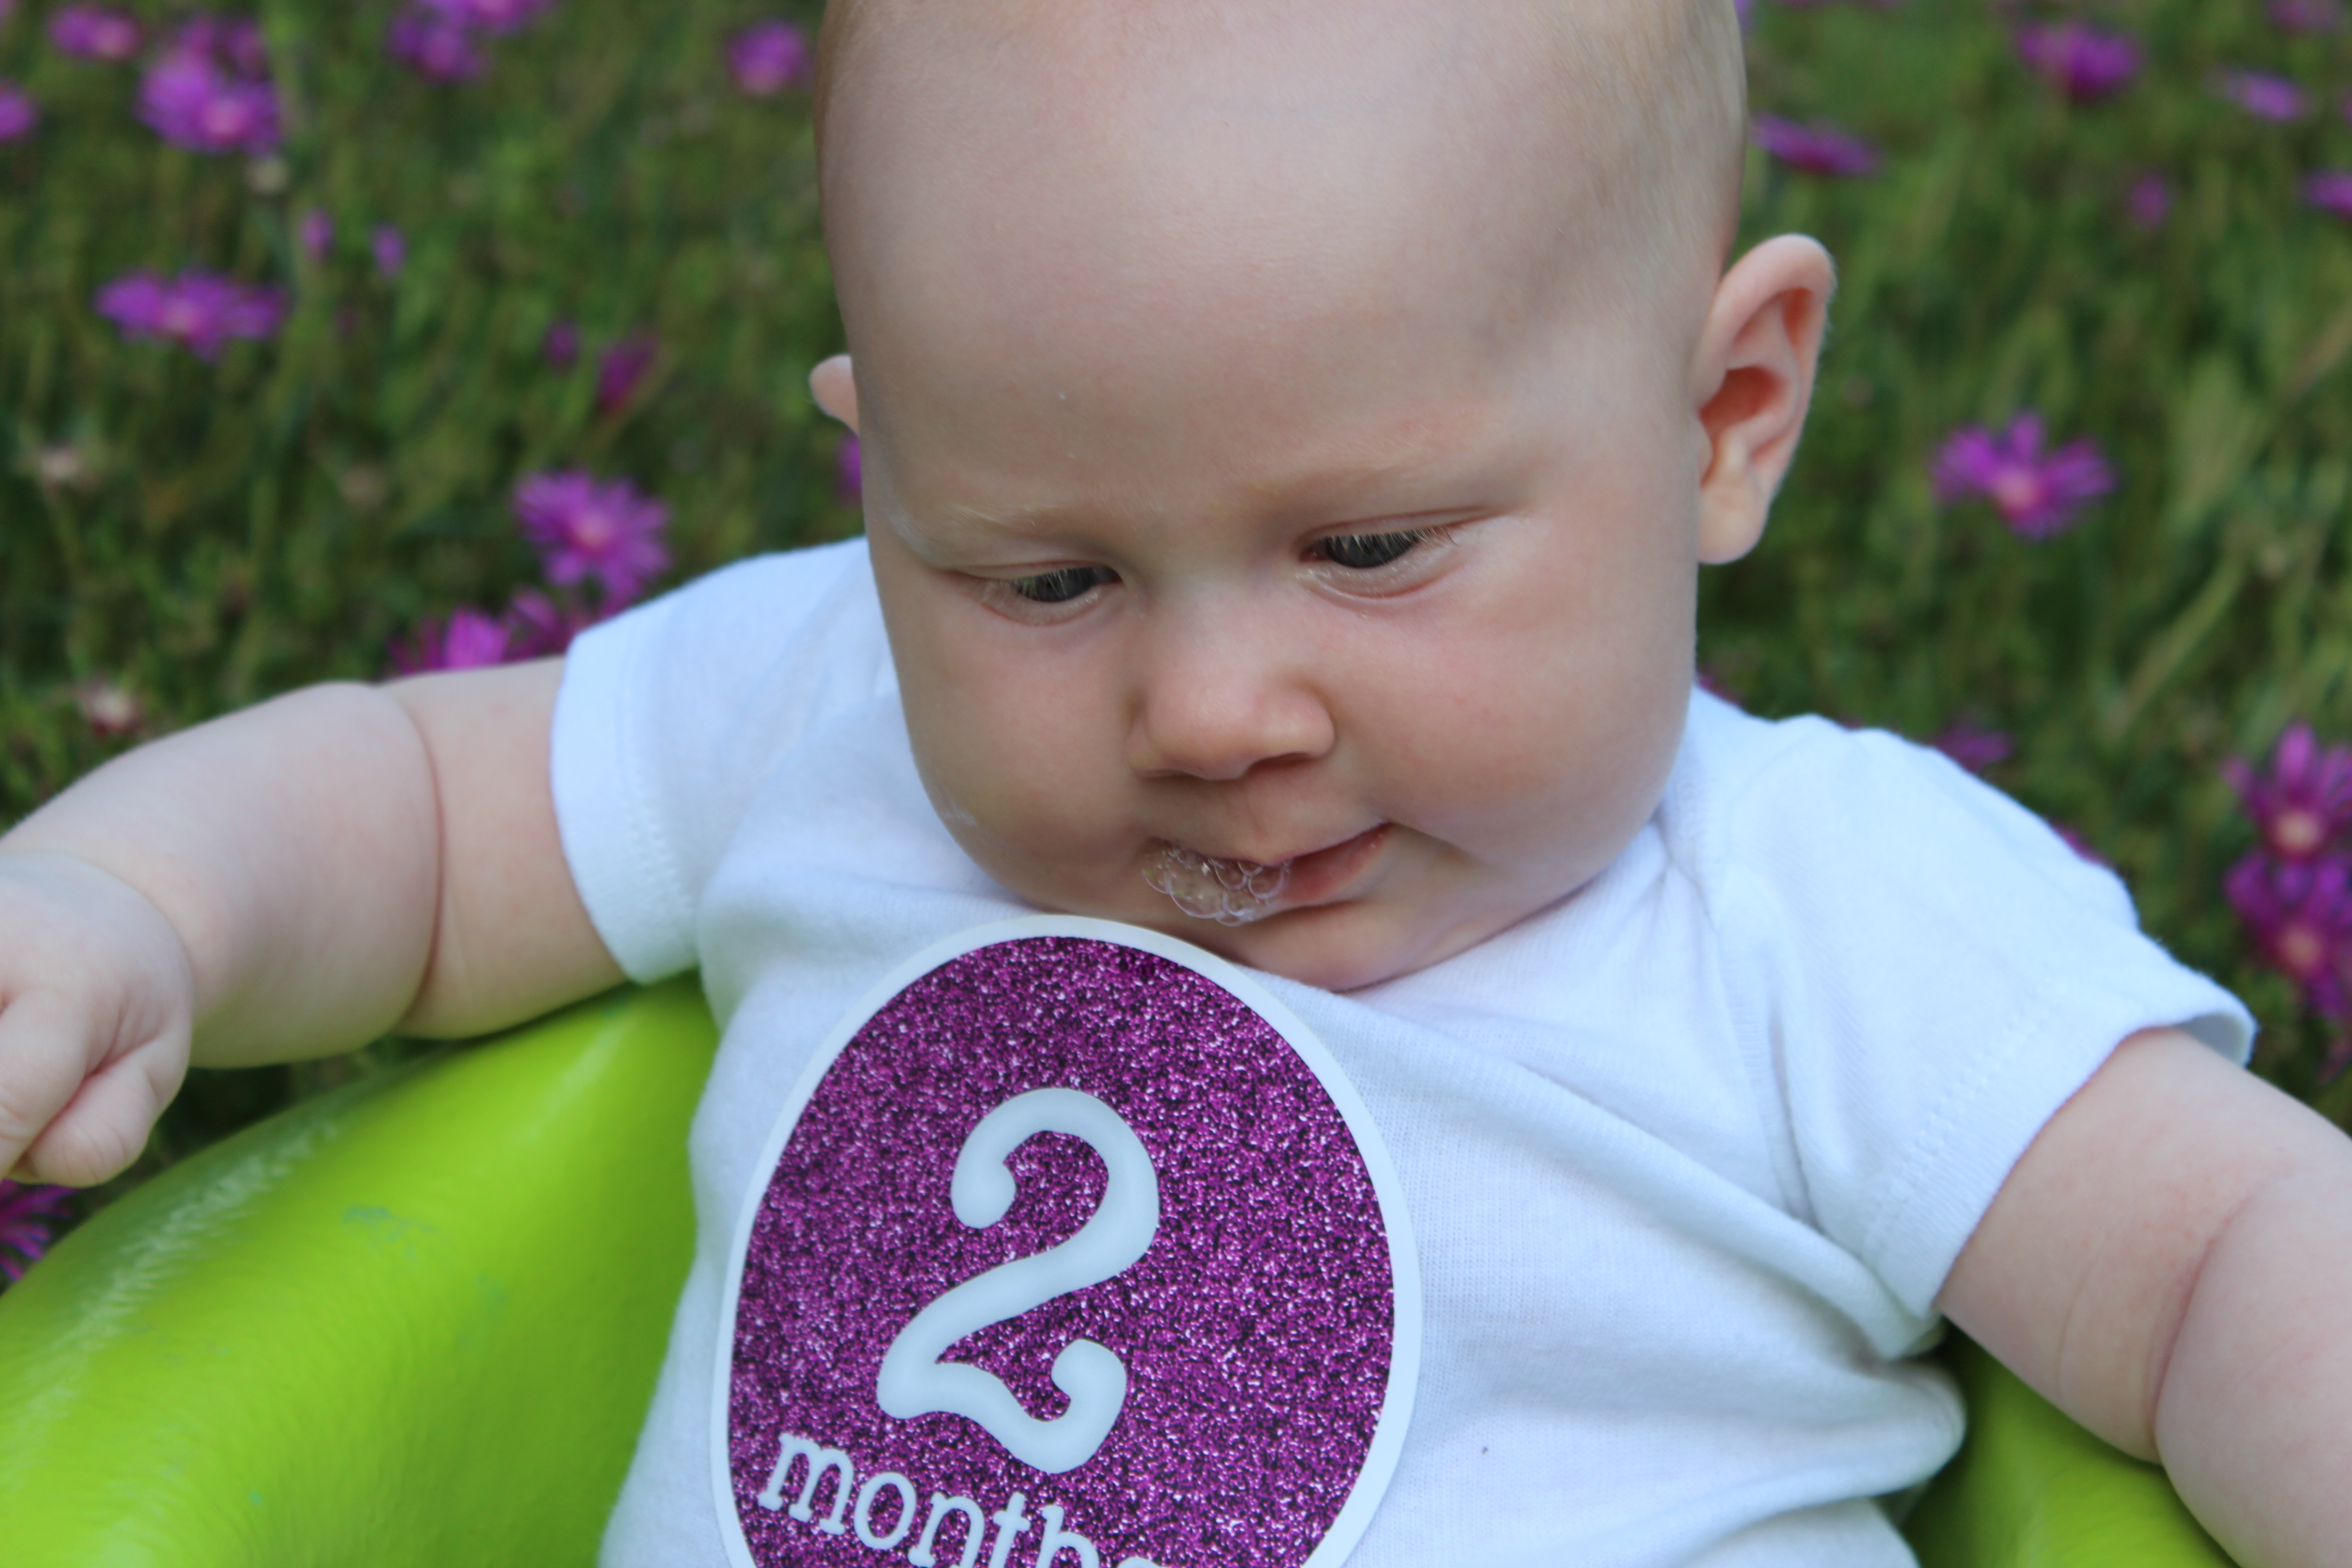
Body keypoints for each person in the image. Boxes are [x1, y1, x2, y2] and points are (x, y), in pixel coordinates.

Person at [4, 0, 2350, 1563]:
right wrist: (133, 906)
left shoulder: (1809, 912)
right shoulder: (824, 703)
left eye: (1370, 548)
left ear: (1724, 414)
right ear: (885, 476)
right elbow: (423, 818)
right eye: (1047, 579)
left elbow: (2235, 1256)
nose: (1212, 713)